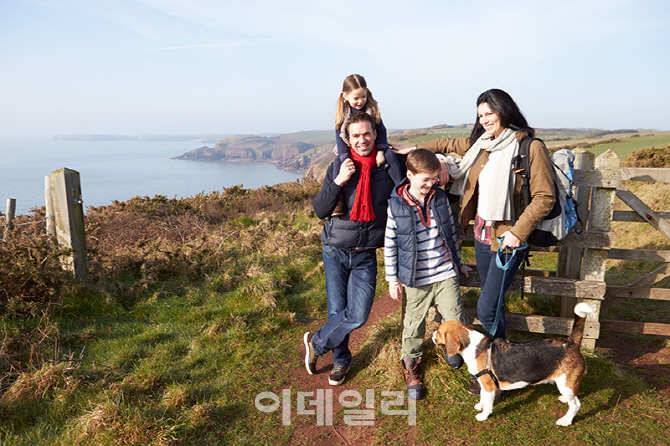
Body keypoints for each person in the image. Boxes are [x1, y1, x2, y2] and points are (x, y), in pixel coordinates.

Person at [396, 89, 555, 345]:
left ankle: (494, 364)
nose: (484, 120)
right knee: (494, 303)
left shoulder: (530, 148)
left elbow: (545, 197)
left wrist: (517, 233)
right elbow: (446, 144)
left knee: (486, 308)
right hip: (482, 236)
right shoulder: (482, 144)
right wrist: (419, 152)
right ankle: (499, 361)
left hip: (508, 240)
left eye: (489, 113)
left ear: (504, 111)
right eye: (480, 115)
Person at [304, 111, 404, 386]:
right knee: (338, 311)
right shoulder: (339, 166)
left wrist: (442, 164)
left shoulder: (388, 165)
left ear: (376, 134)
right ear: (346, 139)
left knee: (358, 315)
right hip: (335, 250)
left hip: (366, 253)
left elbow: (418, 173)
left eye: (367, 134)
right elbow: (319, 210)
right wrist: (339, 182)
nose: (362, 140)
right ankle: (340, 362)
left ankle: (317, 342)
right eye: (356, 136)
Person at [384, 148, 471, 400]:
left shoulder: (440, 198)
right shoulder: (396, 205)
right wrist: (392, 278)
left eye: (434, 178)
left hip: (445, 272)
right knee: (413, 325)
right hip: (416, 278)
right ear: (410, 175)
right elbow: (390, 243)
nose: (431, 183)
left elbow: (451, 233)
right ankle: (410, 367)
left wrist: (459, 263)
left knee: (455, 316)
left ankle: (451, 348)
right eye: (425, 179)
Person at [331, 74, 402, 216]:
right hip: (351, 146)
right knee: (338, 162)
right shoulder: (342, 113)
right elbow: (340, 138)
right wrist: (345, 158)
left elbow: (381, 131)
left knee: (390, 154)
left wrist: (381, 151)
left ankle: (401, 189)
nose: (360, 101)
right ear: (345, 96)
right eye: (355, 98)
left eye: (363, 96)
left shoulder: (372, 109)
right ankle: (338, 200)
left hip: (373, 143)